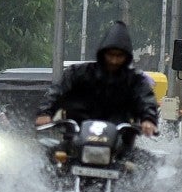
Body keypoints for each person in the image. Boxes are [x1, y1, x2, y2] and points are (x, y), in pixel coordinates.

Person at [35, 20, 159, 160]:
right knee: (46, 159)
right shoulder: (78, 73)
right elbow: (57, 91)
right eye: (111, 55)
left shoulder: (135, 81)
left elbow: (146, 100)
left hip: (118, 144)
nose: (114, 60)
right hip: (76, 138)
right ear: (102, 53)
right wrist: (45, 112)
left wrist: (148, 119)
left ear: (127, 57)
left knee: (148, 165)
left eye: (119, 56)